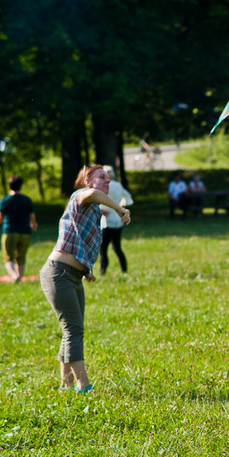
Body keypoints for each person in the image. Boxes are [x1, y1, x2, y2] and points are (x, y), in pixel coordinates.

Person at [40, 165, 131, 393]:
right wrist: (120, 208)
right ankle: (84, 386)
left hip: (72, 276)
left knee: (72, 330)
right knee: (73, 330)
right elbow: (92, 194)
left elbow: (79, 239)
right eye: (102, 177)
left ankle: (66, 385)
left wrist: (86, 269)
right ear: (87, 180)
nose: (107, 182)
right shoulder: (80, 195)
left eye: (109, 179)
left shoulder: (92, 209)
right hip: (58, 273)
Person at [0, 175, 38, 283]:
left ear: (9, 185)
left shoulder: (5, 201)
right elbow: (33, 218)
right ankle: (19, 279)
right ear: (21, 185)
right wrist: (34, 225)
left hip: (10, 231)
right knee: (21, 257)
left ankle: (13, 275)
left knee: (8, 257)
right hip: (25, 232)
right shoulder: (27, 200)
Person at [99, 166, 134, 275]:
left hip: (107, 221)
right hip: (118, 221)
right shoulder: (118, 185)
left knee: (103, 248)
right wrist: (122, 205)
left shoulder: (104, 186)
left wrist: (102, 210)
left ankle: (102, 271)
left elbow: (99, 200)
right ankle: (124, 270)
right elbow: (128, 197)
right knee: (117, 247)